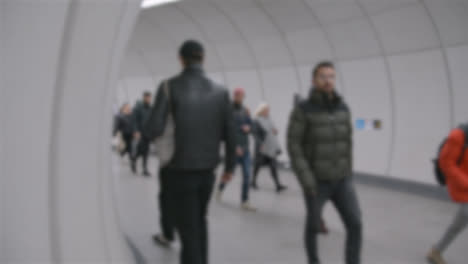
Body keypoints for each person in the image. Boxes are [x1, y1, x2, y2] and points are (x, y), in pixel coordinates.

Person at [144, 40, 236, 264]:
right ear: (203, 58)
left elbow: (153, 128)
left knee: (188, 230)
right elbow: (231, 132)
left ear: (181, 59)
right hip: (207, 170)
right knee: (199, 221)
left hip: (178, 169)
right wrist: (230, 167)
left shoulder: (169, 86)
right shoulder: (221, 91)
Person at [287, 61, 362, 264]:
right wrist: (307, 179)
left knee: (355, 224)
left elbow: (347, 143)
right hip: (316, 182)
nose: (328, 81)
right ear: (314, 80)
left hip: (342, 180)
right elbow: (294, 146)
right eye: (323, 76)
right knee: (313, 226)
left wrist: (348, 172)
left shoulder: (343, 107)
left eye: (331, 76)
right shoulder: (303, 109)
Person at [427, 124, 468, 264]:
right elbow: (446, 163)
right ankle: (436, 251)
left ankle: (436, 251)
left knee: (461, 221)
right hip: (461, 183)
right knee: (463, 217)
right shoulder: (458, 135)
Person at [216, 88, 257, 211]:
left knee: (247, 175)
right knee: (229, 173)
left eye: (242, 96)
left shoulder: (245, 111)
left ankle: (244, 201)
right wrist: (235, 147)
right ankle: (220, 189)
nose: (240, 98)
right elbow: (228, 131)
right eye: (238, 96)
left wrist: (249, 128)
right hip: (234, 149)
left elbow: (252, 126)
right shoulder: (229, 111)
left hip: (245, 149)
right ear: (234, 96)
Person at [251, 102, 287, 193]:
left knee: (273, 166)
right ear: (261, 111)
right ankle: (253, 181)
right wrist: (260, 144)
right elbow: (255, 134)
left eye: (268, 110)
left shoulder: (269, 120)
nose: (268, 111)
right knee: (258, 165)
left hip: (270, 147)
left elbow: (272, 131)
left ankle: (278, 185)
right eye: (266, 110)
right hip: (262, 147)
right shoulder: (256, 121)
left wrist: (275, 131)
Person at [131, 92, 152, 176]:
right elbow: (134, 120)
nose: (148, 99)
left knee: (146, 151)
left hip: (148, 133)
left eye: (149, 97)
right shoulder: (138, 108)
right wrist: (136, 131)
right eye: (147, 97)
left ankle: (144, 169)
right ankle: (134, 160)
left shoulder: (151, 108)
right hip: (140, 132)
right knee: (141, 150)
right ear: (144, 97)